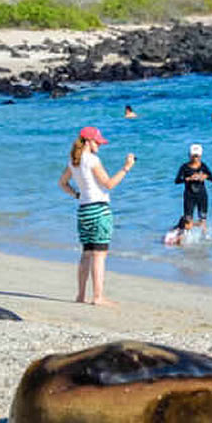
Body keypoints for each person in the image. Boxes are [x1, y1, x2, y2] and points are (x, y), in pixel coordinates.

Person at [57, 126, 134, 306]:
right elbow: (108, 184)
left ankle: (81, 295)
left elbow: (62, 183)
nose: (100, 144)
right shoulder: (92, 160)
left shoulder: (73, 161)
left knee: (86, 253)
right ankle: (98, 297)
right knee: (99, 255)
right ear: (89, 141)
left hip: (83, 210)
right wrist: (126, 168)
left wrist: (77, 195)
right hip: (99, 210)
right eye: (98, 141)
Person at [175, 143, 212, 232]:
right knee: (188, 223)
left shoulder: (203, 166)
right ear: (189, 155)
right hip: (189, 196)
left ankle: (203, 243)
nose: (195, 158)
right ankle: (182, 230)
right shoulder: (184, 167)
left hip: (202, 196)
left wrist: (205, 176)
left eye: (197, 156)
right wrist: (188, 179)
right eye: (193, 156)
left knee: (203, 222)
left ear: (200, 156)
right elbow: (177, 181)